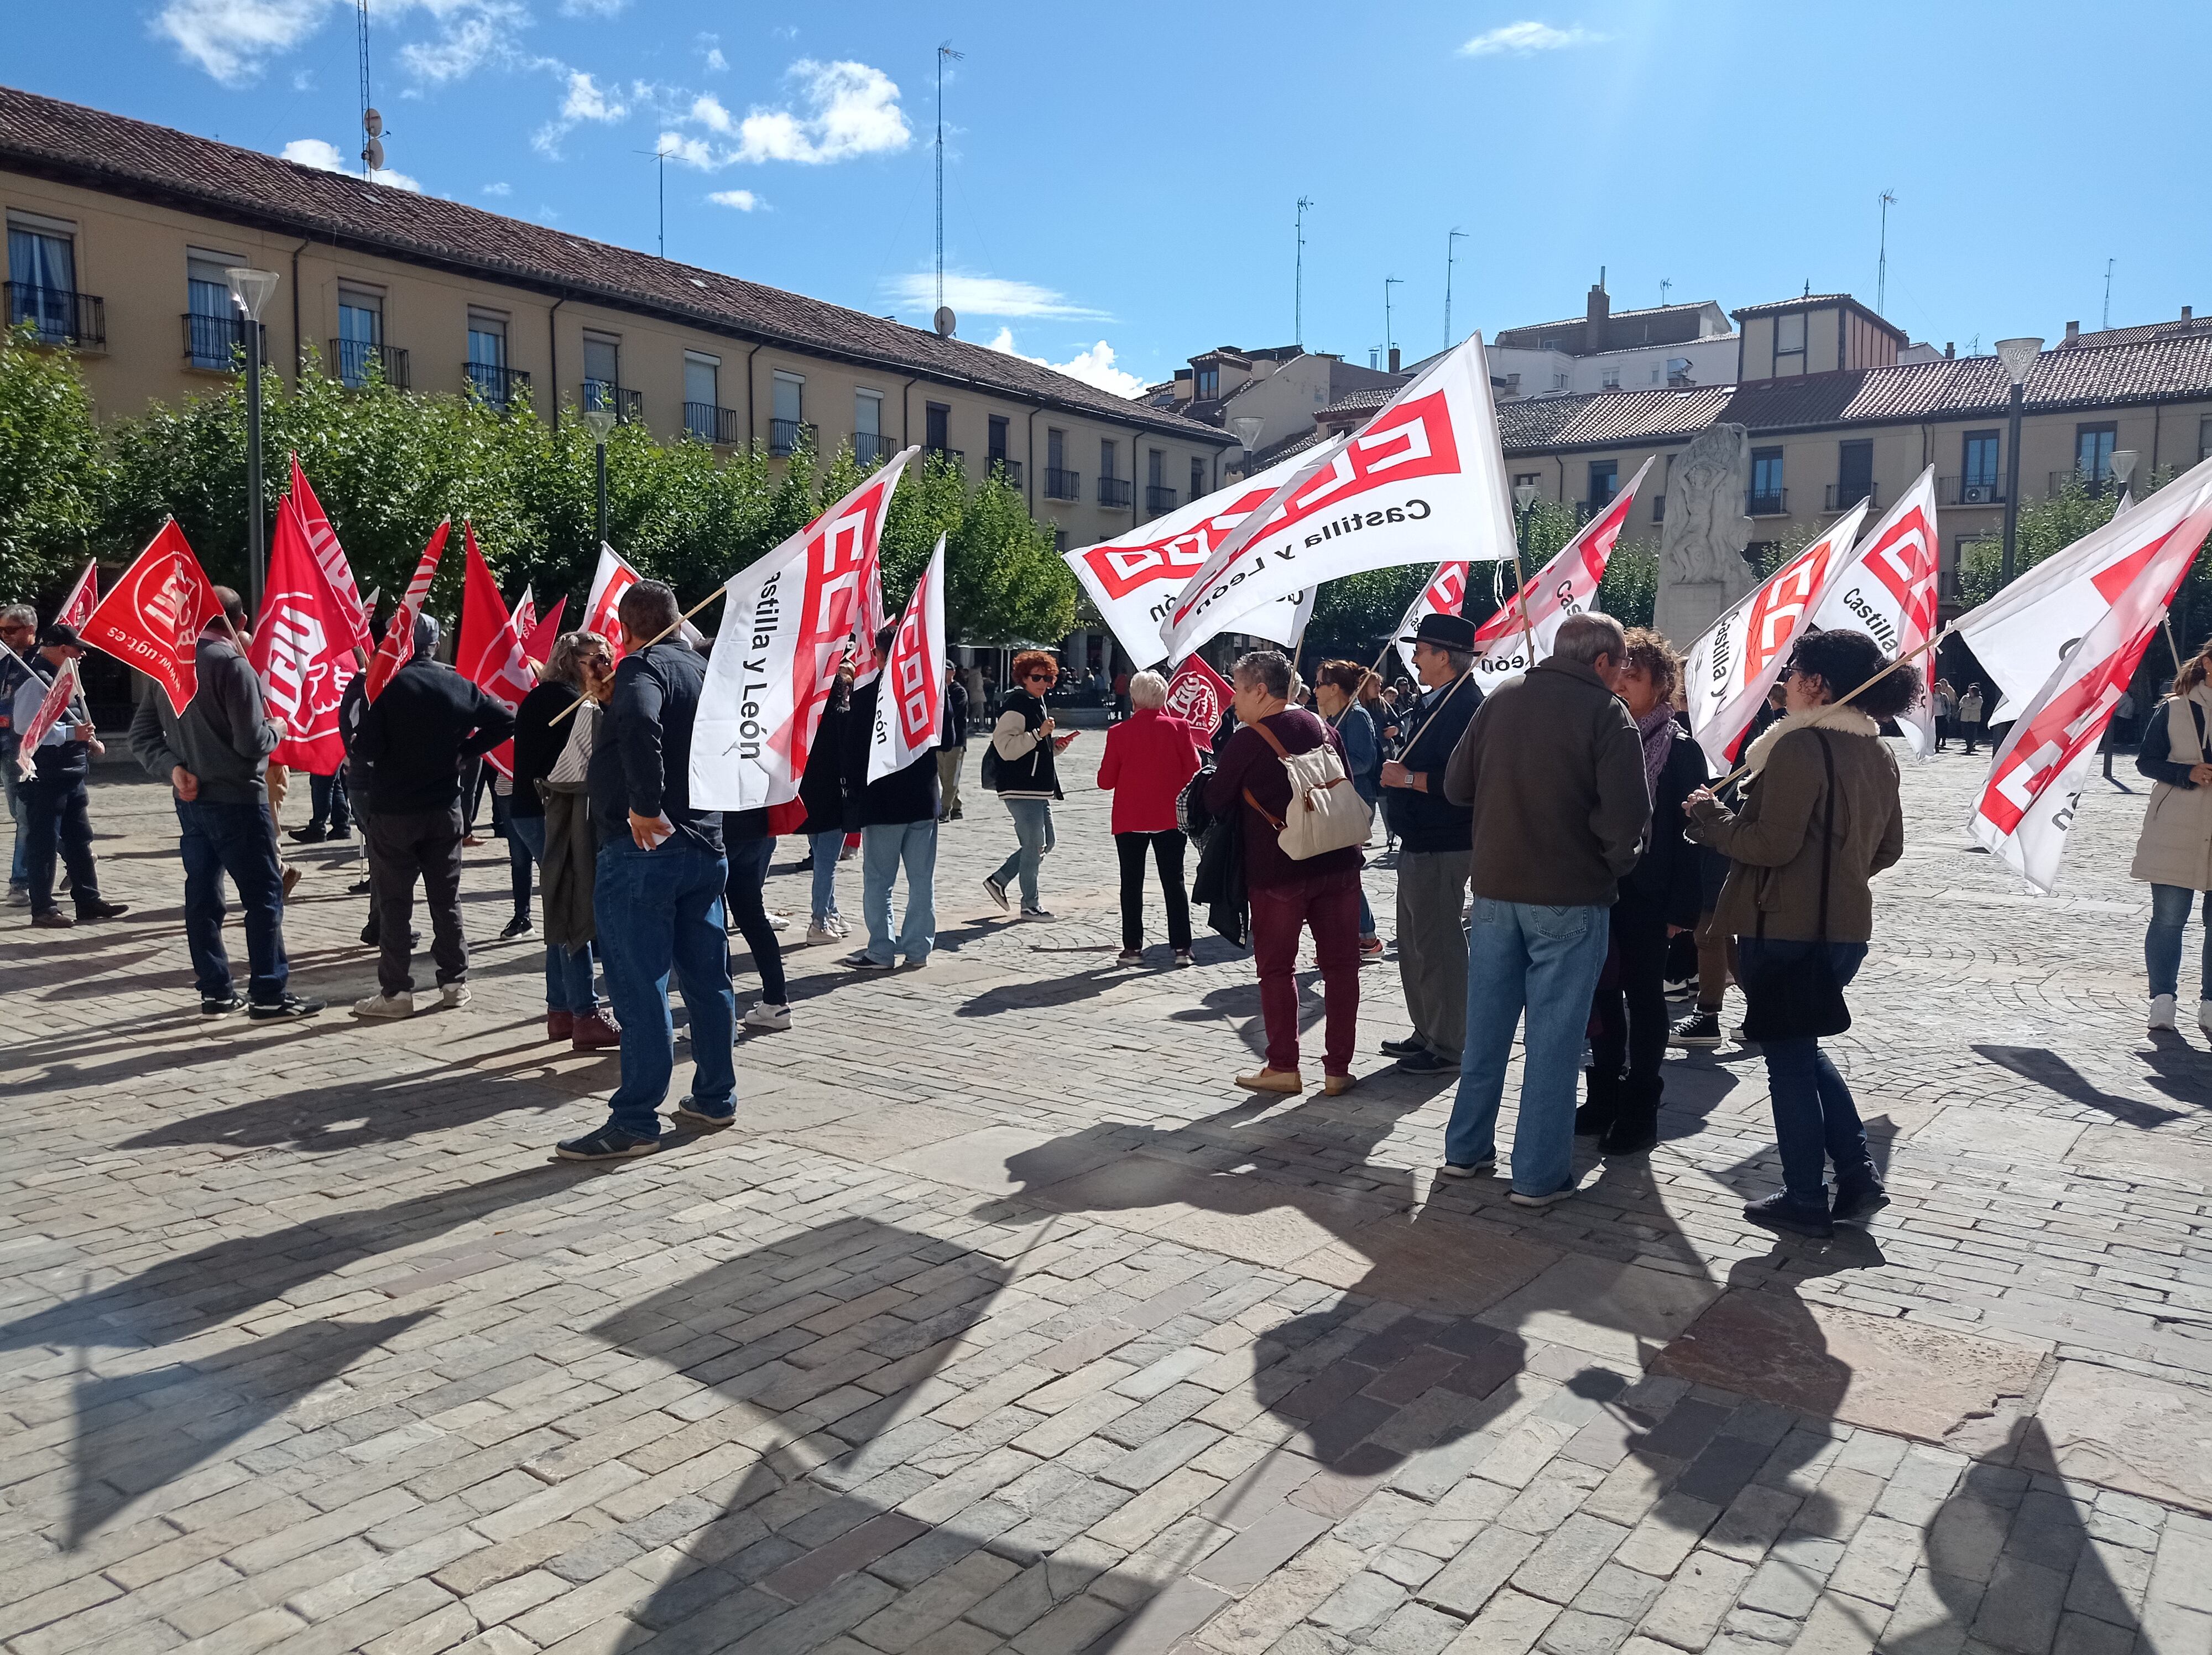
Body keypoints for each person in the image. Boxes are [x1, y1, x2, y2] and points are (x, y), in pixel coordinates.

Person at [1685, 627, 1908, 1238]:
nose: (1785, 682)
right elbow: (1886, 848)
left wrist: (1709, 818)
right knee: (1801, 1048)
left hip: (1784, 926)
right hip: (1842, 930)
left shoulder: (1798, 747)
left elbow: (1768, 844)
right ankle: (1858, 1176)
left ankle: (1806, 1195)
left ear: (1818, 684)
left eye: (1794, 671)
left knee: (1787, 1061)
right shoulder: (1878, 752)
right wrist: (1835, 873)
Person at [1441, 613, 1648, 1206]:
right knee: (1553, 1043)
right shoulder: (1607, 713)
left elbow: (1457, 784)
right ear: (1605, 662)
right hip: (1568, 895)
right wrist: (1614, 862)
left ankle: (1465, 1149)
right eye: (1620, 665)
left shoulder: (1503, 696)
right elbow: (1626, 816)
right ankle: (1535, 1174)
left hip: (1496, 891)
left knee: (1486, 1031)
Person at [558, 581, 738, 1159]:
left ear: (626, 627)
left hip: (646, 849)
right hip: (704, 840)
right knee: (708, 980)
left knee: (640, 988)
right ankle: (715, 1095)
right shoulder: (700, 667)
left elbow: (640, 721)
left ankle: (635, 1119)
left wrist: (644, 803)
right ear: (677, 619)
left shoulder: (642, 665)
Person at [129, 595, 320, 1018]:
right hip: (237, 800)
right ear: (242, 620)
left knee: (202, 897)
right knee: (264, 897)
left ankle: (215, 990)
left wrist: (172, 769)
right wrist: (278, 729)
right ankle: (269, 992)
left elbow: (141, 736)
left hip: (193, 802)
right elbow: (251, 743)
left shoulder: (170, 664)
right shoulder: (233, 664)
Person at [1203, 648, 1363, 1095]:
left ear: (1260, 690)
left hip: (1279, 870)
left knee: (1277, 970)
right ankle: (1338, 1069)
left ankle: (1283, 1067)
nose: (1233, 700)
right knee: (1342, 968)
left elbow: (1215, 801)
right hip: (1339, 861)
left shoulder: (1249, 740)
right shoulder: (1324, 728)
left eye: (1237, 689)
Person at [1578, 629, 1706, 1156]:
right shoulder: (1598, 733)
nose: (1625, 683)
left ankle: (1641, 1108)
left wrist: (1681, 909)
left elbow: (1691, 837)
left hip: (1650, 897)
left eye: (1637, 675)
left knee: (1645, 999)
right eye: (1621, 673)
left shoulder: (1679, 750)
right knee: (1601, 994)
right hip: (1596, 889)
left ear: (1662, 686)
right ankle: (1603, 1093)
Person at [351, 615, 515, 1018]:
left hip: (395, 811)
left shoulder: (386, 687)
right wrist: (466, 751)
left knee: (394, 903)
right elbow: (507, 719)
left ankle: (397, 992)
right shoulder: (457, 683)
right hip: (444, 807)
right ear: (435, 644)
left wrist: (361, 742)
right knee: (446, 899)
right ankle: (455, 983)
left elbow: (367, 749)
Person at [1380, 614, 1484, 1075]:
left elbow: (1467, 782)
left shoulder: (1466, 707)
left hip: (1443, 843)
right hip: (1420, 840)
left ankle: (1448, 1044)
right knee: (1416, 942)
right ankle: (1428, 1030)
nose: (1415, 657)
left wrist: (1408, 779)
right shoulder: (1435, 702)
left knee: (1438, 945)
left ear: (1444, 657)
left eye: (1421, 650)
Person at [509, 631, 619, 1049]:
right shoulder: (563, 701)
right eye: (596, 657)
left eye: (608, 655)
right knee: (573, 906)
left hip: (538, 812)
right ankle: (584, 1013)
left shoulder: (555, 698)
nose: (605, 663)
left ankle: (561, 1011)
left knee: (561, 903)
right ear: (572, 660)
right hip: (551, 815)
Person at [12, 623, 127, 929]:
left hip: (70, 772)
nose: (84, 654)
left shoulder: (64, 676)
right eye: (79, 648)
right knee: (45, 842)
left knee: (79, 838)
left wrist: (86, 739)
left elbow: (70, 717)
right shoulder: (35, 680)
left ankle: (87, 899)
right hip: (46, 775)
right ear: (63, 649)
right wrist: (69, 734)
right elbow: (26, 730)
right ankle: (43, 908)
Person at [842, 624, 941, 969]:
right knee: (921, 881)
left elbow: (852, 754)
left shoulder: (867, 695)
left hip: (882, 803)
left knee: (880, 882)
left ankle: (881, 951)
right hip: (922, 800)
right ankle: (918, 950)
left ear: (881, 655)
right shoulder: (927, 696)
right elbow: (950, 738)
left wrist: (853, 795)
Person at [2132, 639, 2212, 1033]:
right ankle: (2162, 1000)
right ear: (2209, 665)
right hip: (2176, 828)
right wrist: (2187, 773)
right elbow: (2146, 761)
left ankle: (2211, 1004)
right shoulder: (2174, 709)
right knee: (2168, 918)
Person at [1097, 668, 1202, 966]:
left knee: (1131, 883)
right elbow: (1193, 772)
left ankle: (1132, 948)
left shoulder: (1118, 733)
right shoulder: (1180, 727)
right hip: (1169, 817)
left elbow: (1105, 781)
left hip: (1130, 818)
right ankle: (1182, 948)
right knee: (1174, 881)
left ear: (1133, 699)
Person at [984, 649, 1076, 919]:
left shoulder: (1036, 702)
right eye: (1037, 677)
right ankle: (1030, 903)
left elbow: (1034, 748)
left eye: (1048, 678)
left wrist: (1054, 746)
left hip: (1036, 787)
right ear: (1023, 678)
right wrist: (1039, 734)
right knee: (1035, 844)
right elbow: (1006, 748)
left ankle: (999, 880)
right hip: (1020, 787)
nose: (1043, 683)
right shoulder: (1018, 704)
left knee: (1045, 843)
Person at [1312, 660, 1386, 960]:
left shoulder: (1357, 716)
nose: (1314, 689)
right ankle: (1362, 936)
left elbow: (1363, 761)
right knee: (1339, 870)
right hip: (1335, 801)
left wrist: (1324, 767)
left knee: (1339, 869)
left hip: (1354, 801)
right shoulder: (1328, 717)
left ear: (1334, 688)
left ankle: (1360, 938)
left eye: (1319, 684)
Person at [798, 657, 854, 941]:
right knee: (827, 863)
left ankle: (830, 911)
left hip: (808, 798)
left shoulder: (807, 718)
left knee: (822, 856)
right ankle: (818, 921)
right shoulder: (843, 718)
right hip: (834, 797)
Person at [1, 603, 40, 906]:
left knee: (26, 817)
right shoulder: (5, 660)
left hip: (28, 749)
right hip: (4, 745)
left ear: (30, 630)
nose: (4, 636)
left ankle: (20, 883)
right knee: (20, 814)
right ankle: (77, 854)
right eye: (1, 630)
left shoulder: (41, 664)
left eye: (10, 630)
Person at [937, 663, 969, 822]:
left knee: (952, 778)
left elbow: (952, 712)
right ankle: (957, 807)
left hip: (956, 741)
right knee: (945, 778)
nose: (944, 673)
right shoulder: (937, 689)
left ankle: (944, 810)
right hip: (939, 740)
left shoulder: (959, 691)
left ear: (953, 673)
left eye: (947, 670)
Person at [1958, 682, 1987, 755]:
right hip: (1964, 718)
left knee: (1972, 733)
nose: (1969, 692)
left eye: (1971, 691)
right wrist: (1970, 705)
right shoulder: (1965, 697)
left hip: (1974, 719)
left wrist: (1966, 706)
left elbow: (1977, 707)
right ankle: (1968, 744)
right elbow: (1961, 704)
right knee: (1965, 733)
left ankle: (1970, 746)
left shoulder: (1979, 699)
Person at [1931, 677, 1957, 752]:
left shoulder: (1944, 696)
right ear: (1934, 688)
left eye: (1940, 688)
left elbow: (1948, 706)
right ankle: (1933, 744)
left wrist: (1948, 715)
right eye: (1937, 688)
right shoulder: (1931, 696)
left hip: (1942, 715)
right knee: (1934, 731)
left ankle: (1937, 745)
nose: (1939, 689)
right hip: (1933, 716)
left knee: (1940, 730)